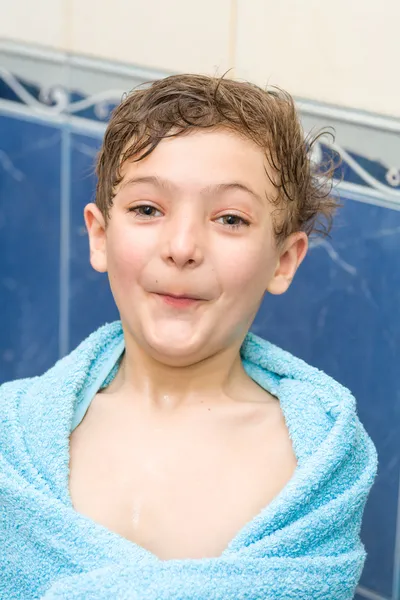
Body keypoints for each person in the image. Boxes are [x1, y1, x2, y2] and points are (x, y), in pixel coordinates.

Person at [1, 75, 377, 600]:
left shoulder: (314, 467)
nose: (181, 248)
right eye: (147, 209)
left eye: (230, 218)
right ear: (101, 236)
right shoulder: (14, 441)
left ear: (284, 260)